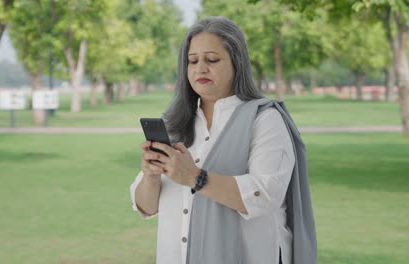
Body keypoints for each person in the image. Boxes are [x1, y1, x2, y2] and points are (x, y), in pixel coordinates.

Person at [130, 16, 316, 264]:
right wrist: (151, 176)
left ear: (237, 63)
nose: (200, 68)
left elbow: (264, 196)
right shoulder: (176, 125)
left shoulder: (265, 120)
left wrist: (195, 177)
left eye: (212, 60)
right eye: (192, 61)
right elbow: (146, 207)